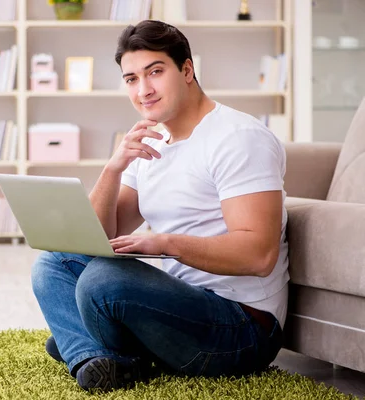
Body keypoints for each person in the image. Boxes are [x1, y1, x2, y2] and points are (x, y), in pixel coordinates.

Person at [31, 19, 289, 392]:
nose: (144, 90)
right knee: (55, 261)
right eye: (132, 79)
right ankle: (95, 357)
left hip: (242, 328)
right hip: (181, 304)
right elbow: (101, 235)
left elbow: (258, 254)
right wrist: (113, 167)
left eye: (155, 72)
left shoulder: (239, 138)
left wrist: (164, 243)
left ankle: (90, 342)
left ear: (187, 70)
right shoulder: (154, 139)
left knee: (103, 282)